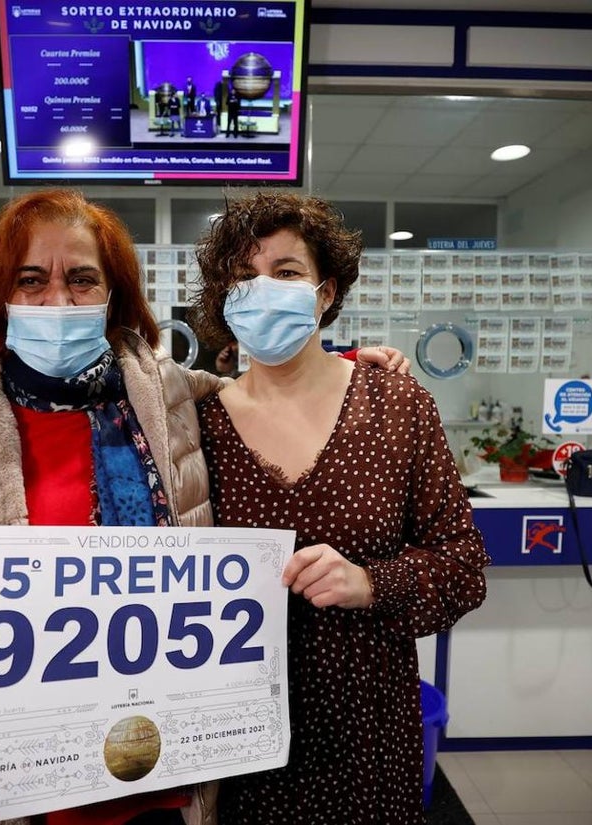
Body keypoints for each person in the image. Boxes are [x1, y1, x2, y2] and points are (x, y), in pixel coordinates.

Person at [0, 188, 407, 825]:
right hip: (26, 792)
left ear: (114, 297)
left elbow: (262, 393)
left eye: (82, 279)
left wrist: (351, 369)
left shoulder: (163, 396)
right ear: (0, 294)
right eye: (31, 279)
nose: (57, 300)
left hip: (172, 789)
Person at [188, 191, 490, 824]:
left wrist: (370, 582)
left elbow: (464, 567)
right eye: (244, 278)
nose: (262, 290)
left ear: (325, 294)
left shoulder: (396, 406)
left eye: (286, 272)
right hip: (239, 741)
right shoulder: (198, 425)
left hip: (369, 735)